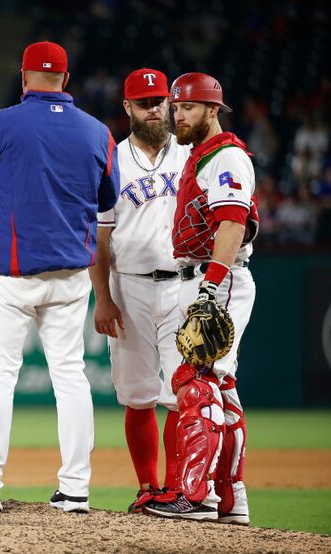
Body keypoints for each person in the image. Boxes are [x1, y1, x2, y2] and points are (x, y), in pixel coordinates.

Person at [0, 41, 119, 513]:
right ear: (66, 79)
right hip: (71, 277)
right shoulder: (99, 133)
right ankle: (76, 488)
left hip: (12, 275)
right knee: (71, 377)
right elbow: (107, 198)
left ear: (23, 78)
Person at [144, 73, 258, 525]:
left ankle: (197, 495)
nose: (178, 115)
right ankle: (231, 498)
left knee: (195, 380)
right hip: (208, 276)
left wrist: (210, 286)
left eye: (188, 108)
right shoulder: (204, 155)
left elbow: (232, 223)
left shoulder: (227, 156)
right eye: (176, 108)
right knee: (220, 389)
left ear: (213, 110)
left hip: (218, 278)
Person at [88, 68, 191, 514]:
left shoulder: (191, 153)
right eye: (144, 103)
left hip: (185, 284)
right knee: (136, 394)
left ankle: (176, 490)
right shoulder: (112, 160)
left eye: (159, 101)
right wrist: (103, 297)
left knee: (180, 393)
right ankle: (149, 486)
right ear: (127, 107)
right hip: (128, 287)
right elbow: (100, 238)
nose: (154, 109)